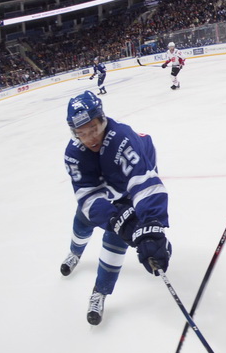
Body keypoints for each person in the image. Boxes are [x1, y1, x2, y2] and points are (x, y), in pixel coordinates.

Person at [61, 91, 172, 325]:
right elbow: (88, 196)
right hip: (106, 185)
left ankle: (100, 291)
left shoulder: (123, 139)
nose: (90, 138)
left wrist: (151, 226)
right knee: (83, 219)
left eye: (94, 129)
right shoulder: (74, 154)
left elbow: (144, 184)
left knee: (117, 238)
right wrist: (115, 219)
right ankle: (75, 252)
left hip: (128, 182)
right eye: (82, 133)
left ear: (103, 119)